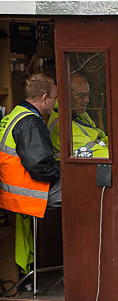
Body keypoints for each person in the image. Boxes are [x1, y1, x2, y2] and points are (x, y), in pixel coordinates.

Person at [0, 74, 61, 274]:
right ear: (44, 98)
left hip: (12, 189)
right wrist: (65, 173)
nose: (55, 102)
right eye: (54, 98)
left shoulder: (14, 114)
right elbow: (39, 165)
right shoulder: (30, 122)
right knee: (84, 188)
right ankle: (83, 264)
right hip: (27, 191)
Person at [48, 73, 109, 158]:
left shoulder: (82, 115)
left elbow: (100, 137)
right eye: (81, 96)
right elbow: (91, 153)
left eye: (87, 95)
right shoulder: (60, 125)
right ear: (66, 96)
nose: (86, 100)